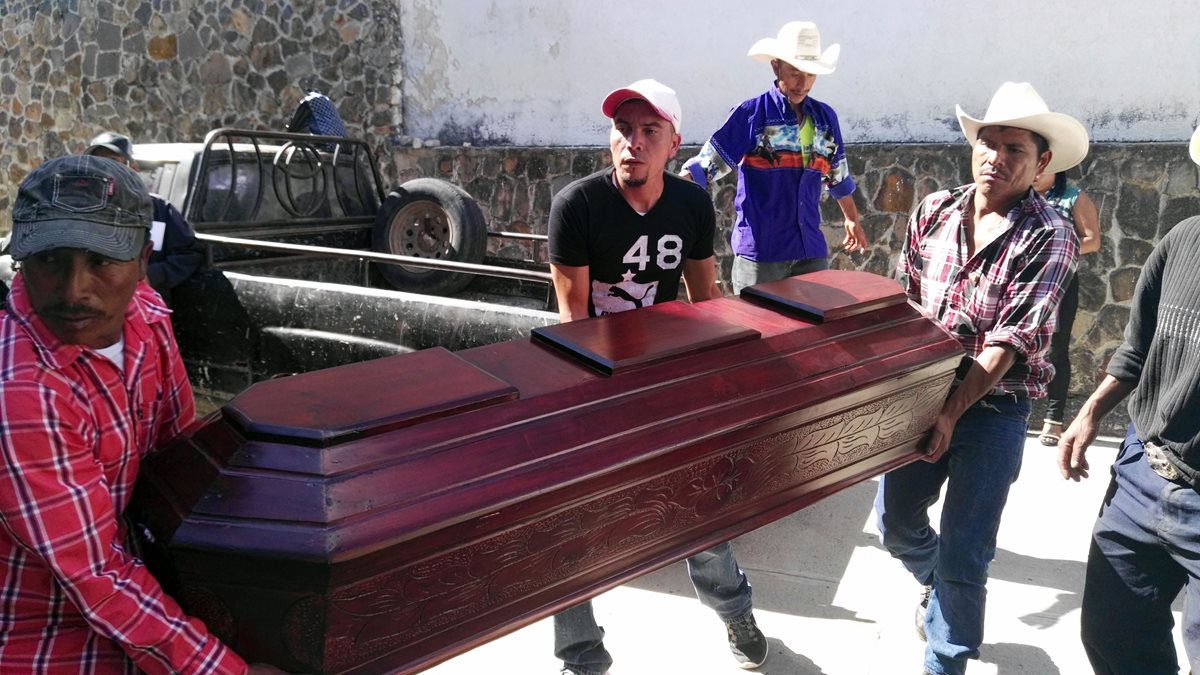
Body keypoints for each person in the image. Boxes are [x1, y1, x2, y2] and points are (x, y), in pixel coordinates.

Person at [0, 155, 279, 673]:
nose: (74, 289)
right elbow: (96, 574)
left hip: (144, 597)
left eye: (101, 261)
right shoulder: (21, 390)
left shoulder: (146, 318)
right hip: (44, 637)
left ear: (143, 258)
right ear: (22, 259)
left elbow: (179, 464)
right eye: (49, 261)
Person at [548, 79, 766, 674]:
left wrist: (714, 391)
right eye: (622, 130)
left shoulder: (692, 205)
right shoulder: (578, 206)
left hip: (666, 378)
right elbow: (573, 324)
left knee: (699, 504)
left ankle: (734, 608)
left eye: (649, 132)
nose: (633, 143)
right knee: (572, 517)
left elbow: (706, 306)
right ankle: (580, 654)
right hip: (589, 377)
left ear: (674, 143)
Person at [873, 82, 1085, 675]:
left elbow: (1008, 344)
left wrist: (950, 410)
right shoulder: (934, 211)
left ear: (1042, 163)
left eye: (1014, 148)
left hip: (995, 411)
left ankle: (947, 657)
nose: (996, 157)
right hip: (922, 397)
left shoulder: (1050, 234)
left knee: (967, 552)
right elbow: (906, 308)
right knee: (894, 524)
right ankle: (937, 589)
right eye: (988, 143)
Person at [1056, 124, 1200, 674]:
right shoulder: (1183, 240)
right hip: (1142, 475)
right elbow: (1138, 348)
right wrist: (1089, 413)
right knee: (1113, 638)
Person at [680, 21, 866, 294]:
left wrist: (852, 219)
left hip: (810, 249)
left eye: (811, 74)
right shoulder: (752, 114)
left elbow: (837, 175)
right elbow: (706, 166)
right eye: (795, 73)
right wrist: (667, 199)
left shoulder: (825, 118)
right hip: (761, 255)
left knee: (814, 332)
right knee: (764, 334)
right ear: (776, 66)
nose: (803, 83)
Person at [85, 131, 206, 305]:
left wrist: (151, 275)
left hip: (145, 310)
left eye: (112, 161)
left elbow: (190, 253)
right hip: (96, 308)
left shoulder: (159, 210)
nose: (104, 169)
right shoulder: (80, 209)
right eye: (97, 162)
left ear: (132, 167)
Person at [1035, 170, 1101, 446]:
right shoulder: (1018, 196)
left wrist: (1052, 247)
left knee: (1056, 349)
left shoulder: (1073, 197)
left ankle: (1054, 419)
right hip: (1019, 279)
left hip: (1060, 281)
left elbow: (1092, 239)